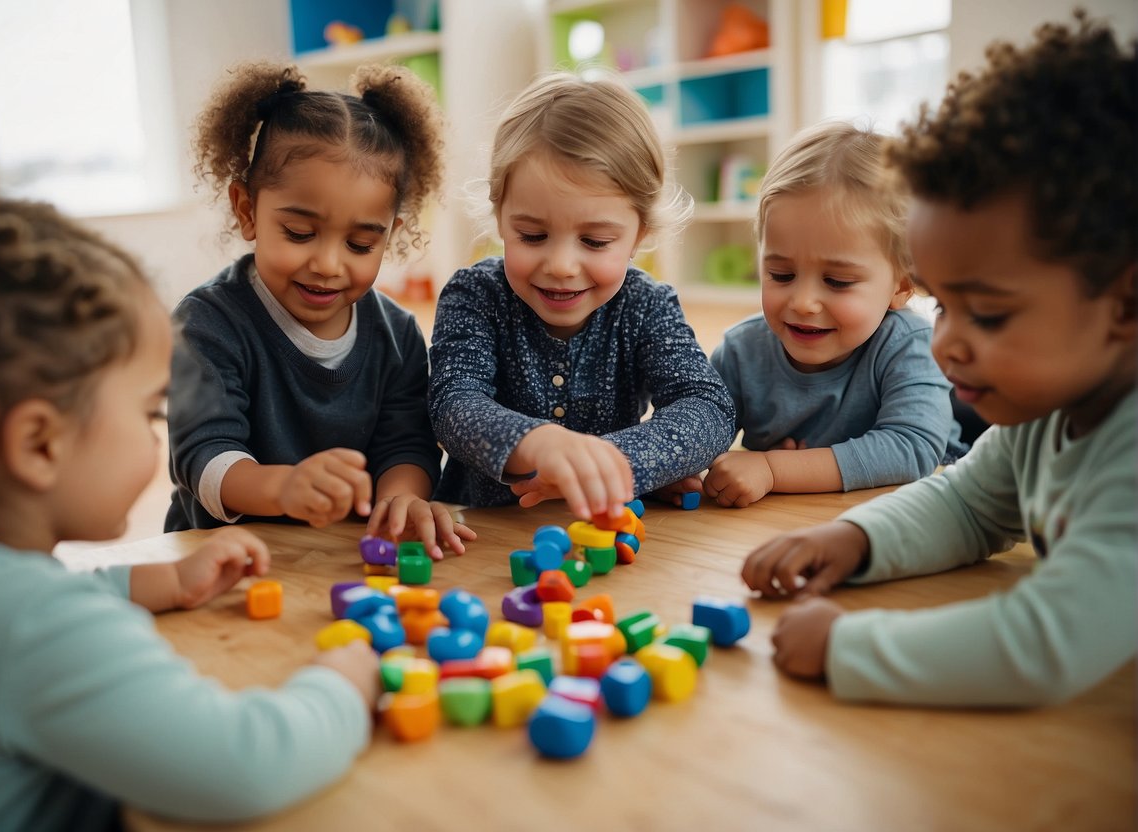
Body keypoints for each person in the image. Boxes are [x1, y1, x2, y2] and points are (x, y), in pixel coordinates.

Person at [0, 196, 381, 828]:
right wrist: (341, 683)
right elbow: (245, 764)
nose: (156, 433)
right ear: (39, 444)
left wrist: (154, 582)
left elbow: (39, 605)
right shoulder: (32, 627)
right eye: (148, 413)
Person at [741, 12, 1136, 707]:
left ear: (1124, 304)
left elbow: (1041, 646)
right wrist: (854, 539)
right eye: (941, 304)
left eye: (985, 313)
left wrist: (846, 647)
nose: (945, 343)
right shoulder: (1042, 417)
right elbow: (965, 505)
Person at [168, 61, 473, 559]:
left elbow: (407, 445)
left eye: (358, 244)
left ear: (389, 237)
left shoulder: (397, 333)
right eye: (300, 234)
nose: (328, 264)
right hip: (219, 563)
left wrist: (401, 499)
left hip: (341, 562)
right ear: (247, 210)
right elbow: (204, 458)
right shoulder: (207, 323)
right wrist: (283, 489)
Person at [427, 71, 737, 519]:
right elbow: (453, 404)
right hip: (478, 533)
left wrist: (613, 462)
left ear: (639, 235)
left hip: (599, 537)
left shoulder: (646, 305)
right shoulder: (475, 295)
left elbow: (709, 407)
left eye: (594, 242)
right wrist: (537, 443)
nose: (561, 265)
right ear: (500, 217)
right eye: (532, 235)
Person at [705, 121, 966, 509]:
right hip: (793, 527)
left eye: (838, 281)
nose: (804, 302)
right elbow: (698, 428)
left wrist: (777, 469)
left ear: (901, 286)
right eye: (781, 275)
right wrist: (686, 469)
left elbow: (912, 449)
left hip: (912, 518)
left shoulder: (909, 346)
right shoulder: (742, 350)